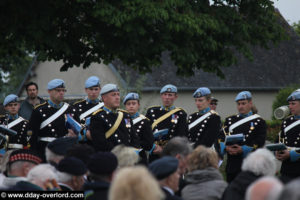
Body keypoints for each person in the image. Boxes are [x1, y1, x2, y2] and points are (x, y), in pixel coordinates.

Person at [219, 91, 267, 182]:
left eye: (243, 103)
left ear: (250, 103)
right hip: (232, 165)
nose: (240, 106)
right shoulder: (230, 120)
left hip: (250, 164)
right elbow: (220, 137)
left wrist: (243, 149)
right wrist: (226, 148)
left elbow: (260, 141)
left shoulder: (259, 122)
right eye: (238, 104)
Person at [29, 79, 76, 159]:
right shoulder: (39, 110)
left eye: (63, 90)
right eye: (58, 90)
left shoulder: (70, 109)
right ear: (49, 91)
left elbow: (75, 132)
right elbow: (33, 136)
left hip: (64, 150)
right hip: (44, 151)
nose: (61, 93)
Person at [89, 84, 140, 152]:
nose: (117, 97)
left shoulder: (125, 116)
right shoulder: (97, 117)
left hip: (127, 157)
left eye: (118, 94)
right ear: (104, 98)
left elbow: (132, 136)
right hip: (109, 158)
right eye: (113, 95)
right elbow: (100, 143)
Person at [146, 84, 188, 160]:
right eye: (165, 95)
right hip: (155, 151)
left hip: (171, 153)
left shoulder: (180, 114)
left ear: (175, 97)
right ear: (161, 96)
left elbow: (181, 136)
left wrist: (165, 150)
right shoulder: (152, 111)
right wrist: (153, 147)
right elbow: (146, 133)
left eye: (170, 95)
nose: (167, 98)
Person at [275, 90, 300, 183]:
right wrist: (277, 151)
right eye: (289, 104)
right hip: (287, 169)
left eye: (293, 104)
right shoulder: (287, 121)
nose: (290, 107)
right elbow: (279, 140)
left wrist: (291, 154)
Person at [123, 92, 156, 162]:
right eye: (128, 104)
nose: (131, 106)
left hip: (139, 157)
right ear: (125, 106)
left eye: (134, 103)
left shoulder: (144, 122)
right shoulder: (121, 120)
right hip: (124, 156)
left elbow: (149, 143)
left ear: (138, 105)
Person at [73, 76, 103, 142]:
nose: (94, 92)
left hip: (98, 142)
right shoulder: (77, 106)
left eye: (96, 89)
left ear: (100, 90)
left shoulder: (104, 106)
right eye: (91, 89)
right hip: (82, 143)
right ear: (86, 90)